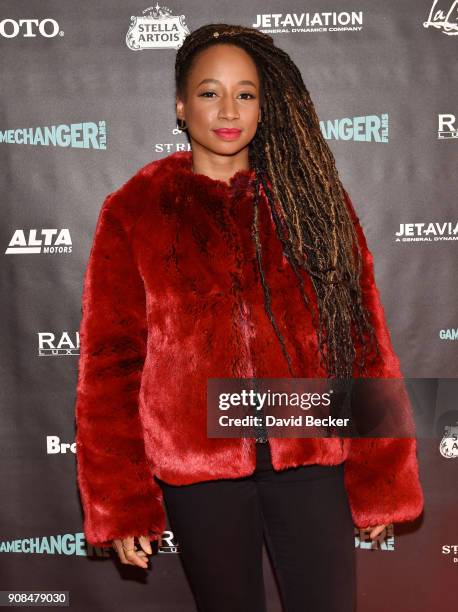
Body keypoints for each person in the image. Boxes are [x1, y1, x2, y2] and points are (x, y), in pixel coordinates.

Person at [74, 23, 424, 612]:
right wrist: (122, 501)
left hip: (311, 459)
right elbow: (109, 367)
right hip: (202, 475)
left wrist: (382, 481)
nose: (228, 109)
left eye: (246, 93)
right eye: (210, 92)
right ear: (181, 106)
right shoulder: (134, 209)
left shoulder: (311, 200)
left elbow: (364, 345)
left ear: (266, 106)